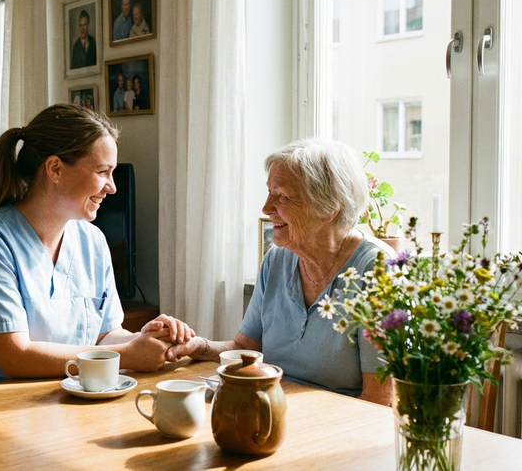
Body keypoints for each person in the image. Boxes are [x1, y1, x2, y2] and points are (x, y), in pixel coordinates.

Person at [0, 104, 195, 389]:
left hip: (56, 402)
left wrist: (147, 340)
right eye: (102, 172)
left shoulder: (91, 241)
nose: (112, 187)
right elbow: (14, 356)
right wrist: (127, 356)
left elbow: (104, 336)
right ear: (55, 169)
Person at [166, 140, 395, 406]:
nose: (266, 208)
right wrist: (198, 347)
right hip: (271, 409)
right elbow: (248, 349)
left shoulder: (377, 271)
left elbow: (378, 400)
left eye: (283, 196)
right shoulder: (277, 259)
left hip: (335, 426)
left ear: (330, 207)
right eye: (269, 192)